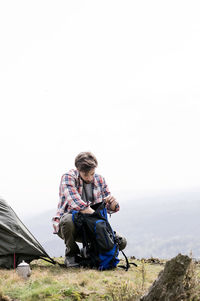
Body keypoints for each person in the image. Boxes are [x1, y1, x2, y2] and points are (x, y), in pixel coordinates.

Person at [52, 152, 127, 267]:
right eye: (85, 175)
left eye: (92, 174)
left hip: (91, 226)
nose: (89, 178)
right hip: (71, 227)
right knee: (67, 220)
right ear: (78, 169)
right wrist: (98, 217)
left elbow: (110, 208)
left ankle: (89, 251)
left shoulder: (100, 180)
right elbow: (77, 204)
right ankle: (71, 255)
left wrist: (113, 204)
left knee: (121, 241)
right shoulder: (68, 177)